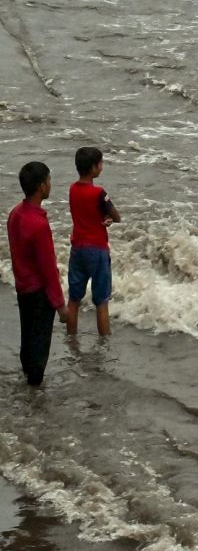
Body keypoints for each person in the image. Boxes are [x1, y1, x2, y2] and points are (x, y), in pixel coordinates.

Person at [6, 162, 67, 386]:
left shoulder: (15, 214)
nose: (51, 184)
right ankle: (34, 395)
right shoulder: (38, 224)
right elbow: (48, 269)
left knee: (27, 341)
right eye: (49, 181)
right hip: (39, 292)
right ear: (42, 186)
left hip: (23, 287)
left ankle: (26, 391)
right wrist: (60, 305)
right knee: (39, 348)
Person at [66, 147, 119, 336]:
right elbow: (117, 216)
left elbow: (86, 212)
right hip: (96, 249)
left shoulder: (72, 189)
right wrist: (110, 218)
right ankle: (104, 344)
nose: (102, 166)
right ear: (93, 168)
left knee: (74, 299)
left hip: (77, 247)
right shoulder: (99, 193)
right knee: (102, 302)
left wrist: (104, 217)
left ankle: (71, 339)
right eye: (101, 163)